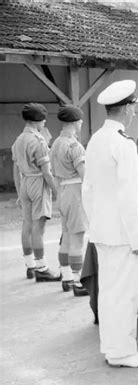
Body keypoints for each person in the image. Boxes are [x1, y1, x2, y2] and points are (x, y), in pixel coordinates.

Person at [82, 80, 138, 368]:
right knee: (124, 294)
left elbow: (87, 190)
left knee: (110, 292)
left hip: (102, 231)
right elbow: (129, 197)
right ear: (125, 109)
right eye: (133, 108)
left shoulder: (96, 139)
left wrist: (96, 223)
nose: (135, 113)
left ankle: (112, 348)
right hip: (124, 234)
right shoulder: (123, 144)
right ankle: (124, 352)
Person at [12, 103, 61, 282]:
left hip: (25, 181)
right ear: (38, 121)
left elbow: (15, 170)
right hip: (38, 181)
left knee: (26, 225)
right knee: (38, 228)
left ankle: (30, 266)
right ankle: (42, 268)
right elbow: (47, 172)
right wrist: (57, 192)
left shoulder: (18, 140)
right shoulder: (38, 140)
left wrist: (19, 192)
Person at [50, 105, 89, 296]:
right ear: (74, 122)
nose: (81, 123)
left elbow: (53, 172)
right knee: (77, 238)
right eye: (80, 120)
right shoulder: (75, 146)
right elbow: (85, 176)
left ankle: (66, 278)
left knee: (66, 236)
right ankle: (77, 282)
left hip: (62, 190)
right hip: (75, 191)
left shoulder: (56, 143)